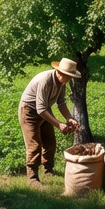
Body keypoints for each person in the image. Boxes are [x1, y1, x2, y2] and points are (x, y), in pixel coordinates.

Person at [18, 58, 81, 187]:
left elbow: (61, 103)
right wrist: (58, 124)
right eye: (68, 76)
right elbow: (40, 109)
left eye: (71, 76)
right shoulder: (45, 80)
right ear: (59, 72)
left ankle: (48, 170)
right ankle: (32, 178)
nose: (69, 79)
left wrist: (70, 118)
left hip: (43, 109)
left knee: (50, 142)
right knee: (34, 145)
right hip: (29, 111)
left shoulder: (62, 82)